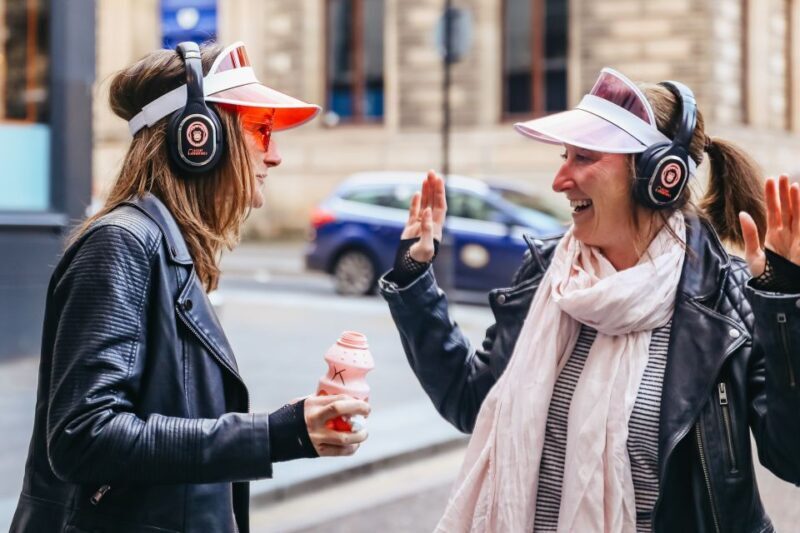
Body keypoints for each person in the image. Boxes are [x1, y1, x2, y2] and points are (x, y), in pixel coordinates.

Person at [379, 67, 800, 532]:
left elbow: (791, 456)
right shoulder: (547, 276)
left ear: (660, 176)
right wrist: (415, 279)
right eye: (565, 156)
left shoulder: (729, 301)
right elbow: (472, 401)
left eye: (584, 157)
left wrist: (784, 307)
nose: (560, 179)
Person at [10, 41, 370, 533]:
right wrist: (277, 435)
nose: (277, 154)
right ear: (197, 139)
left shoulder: (166, 249)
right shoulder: (121, 244)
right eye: (261, 130)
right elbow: (84, 435)